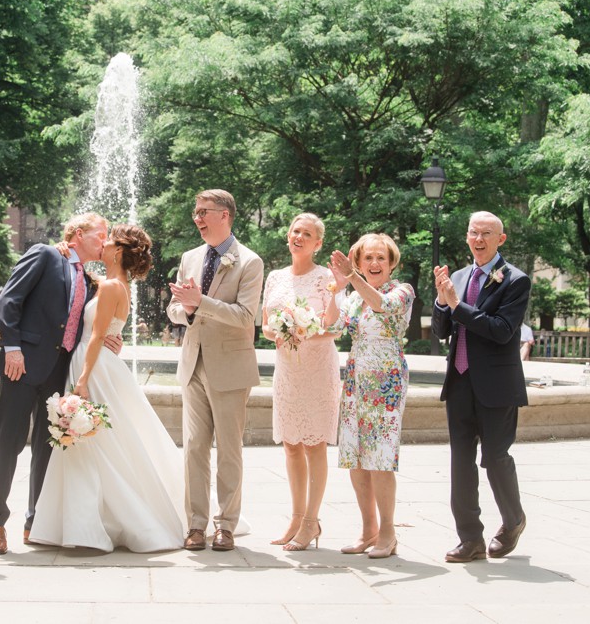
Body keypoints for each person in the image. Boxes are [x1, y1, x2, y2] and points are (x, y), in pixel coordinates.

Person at [30, 224, 185, 552]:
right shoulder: (109, 284)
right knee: (96, 443)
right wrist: (65, 249)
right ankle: (86, 522)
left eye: (109, 239)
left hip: (94, 366)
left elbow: (99, 335)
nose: (103, 242)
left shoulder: (114, 286)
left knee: (93, 444)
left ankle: (92, 526)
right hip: (96, 363)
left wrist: (82, 380)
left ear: (118, 251)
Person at [0, 212, 121, 555]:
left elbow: (88, 324)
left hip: (59, 371)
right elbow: (9, 300)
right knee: (9, 444)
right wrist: (12, 348)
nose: (104, 242)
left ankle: (35, 522)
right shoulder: (46, 255)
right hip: (22, 365)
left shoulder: (91, 281)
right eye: (99, 235)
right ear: (77, 234)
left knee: (47, 449)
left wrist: (109, 339)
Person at [167, 189, 264, 551]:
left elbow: (245, 318)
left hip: (231, 366)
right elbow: (174, 311)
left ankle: (226, 525)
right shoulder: (189, 257)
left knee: (228, 449)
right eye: (195, 211)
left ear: (225, 215)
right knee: (193, 448)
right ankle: (195, 525)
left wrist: (200, 302)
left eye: (204, 212)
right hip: (193, 363)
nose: (197, 218)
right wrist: (188, 309)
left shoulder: (250, 262)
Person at [432, 211, 531, 563]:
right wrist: (443, 301)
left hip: (496, 385)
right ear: (467, 236)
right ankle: (470, 538)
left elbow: (502, 330)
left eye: (487, 233)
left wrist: (457, 305)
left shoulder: (515, 280)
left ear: (500, 239)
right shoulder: (457, 276)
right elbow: (443, 330)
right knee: (460, 460)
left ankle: (513, 519)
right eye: (474, 232)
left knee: (494, 458)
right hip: (458, 381)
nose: (479, 239)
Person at [325, 233, 415, 559]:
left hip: (386, 381)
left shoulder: (401, 291)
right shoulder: (353, 297)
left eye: (381, 258)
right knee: (356, 457)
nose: (374, 263)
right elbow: (333, 327)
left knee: (380, 457)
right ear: (359, 262)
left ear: (391, 263)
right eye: (368, 258)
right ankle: (368, 530)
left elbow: (382, 305)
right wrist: (337, 288)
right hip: (355, 379)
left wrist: (351, 278)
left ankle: (388, 534)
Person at [260, 213, 341, 551]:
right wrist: (280, 331)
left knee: (314, 443)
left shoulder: (326, 278)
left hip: (318, 368)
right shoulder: (275, 277)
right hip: (288, 370)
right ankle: (296, 516)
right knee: (291, 444)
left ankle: (312, 520)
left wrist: (306, 329)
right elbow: (264, 326)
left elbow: (335, 327)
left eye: (306, 234)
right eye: (295, 231)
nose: (298, 237)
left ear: (317, 243)